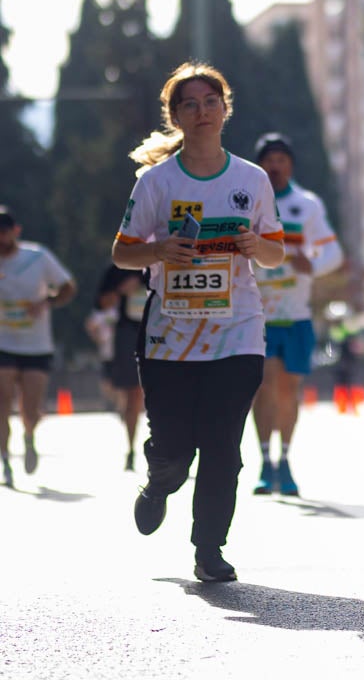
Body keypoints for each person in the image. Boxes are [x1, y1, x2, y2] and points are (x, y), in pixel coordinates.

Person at [112, 62, 285, 582]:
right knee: (175, 446)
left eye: (211, 100)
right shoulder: (156, 182)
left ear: (225, 109)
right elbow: (121, 254)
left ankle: (209, 549)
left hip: (238, 331)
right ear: (177, 116)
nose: (202, 110)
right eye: (190, 103)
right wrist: (159, 249)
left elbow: (276, 252)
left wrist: (258, 246)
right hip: (170, 335)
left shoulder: (251, 179)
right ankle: (161, 478)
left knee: (222, 447)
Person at [250, 132, 343, 496]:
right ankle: (264, 462)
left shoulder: (307, 205)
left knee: (289, 390)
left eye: (281, 159)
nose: (275, 166)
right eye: (268, 160)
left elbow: (333, 255)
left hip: (297, 315)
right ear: (259, 166)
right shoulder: (246, 202)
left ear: (290, 165)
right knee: (264, 388)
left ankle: (285, 462)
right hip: (257, 315)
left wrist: (312, 264)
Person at [0, 207, 77, 488]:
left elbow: (68, 287)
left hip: (35, 345)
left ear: (15, 232)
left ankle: (29, 436)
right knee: (2, 402)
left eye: (4, 234)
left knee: (30, 409)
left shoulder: (37, 256)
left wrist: (47, 302)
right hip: (3, 343)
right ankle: (6, 460)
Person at [96, 264, 150, 471]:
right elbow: (101, 303)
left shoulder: (165, 260)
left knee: (166, 393)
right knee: (133, 394)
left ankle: (167, 446)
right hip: (128, 334)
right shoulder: (118, 269)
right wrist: (121, 290)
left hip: (164, 329)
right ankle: (131, 449)